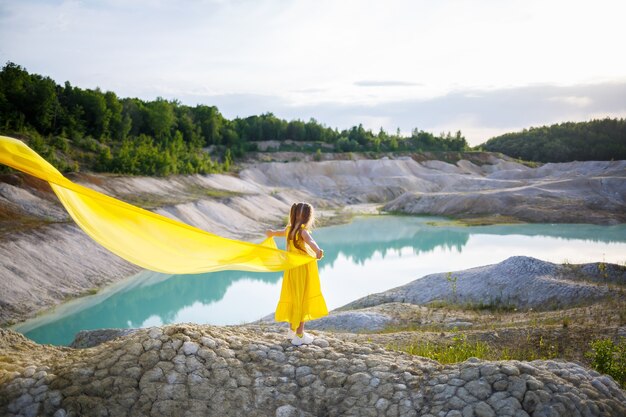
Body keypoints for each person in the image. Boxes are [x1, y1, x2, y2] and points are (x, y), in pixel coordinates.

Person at [266, 202, 328, 345]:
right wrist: (318, 251)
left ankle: (292, 331)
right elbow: (311, 241)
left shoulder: (289, 230)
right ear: (308, 217)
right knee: (302, 297)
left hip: (291, 270)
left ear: (293, 215)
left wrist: (271, 233)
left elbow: (278, 233)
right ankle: (299, 336)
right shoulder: (302, 232)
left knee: (294, 296)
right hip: (302, 270)